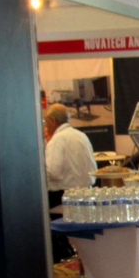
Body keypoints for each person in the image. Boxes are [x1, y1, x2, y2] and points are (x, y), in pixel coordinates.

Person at [43, 103, 97, 262]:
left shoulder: (57, 140)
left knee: (33, 207)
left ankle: (58, 251)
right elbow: (93, 169)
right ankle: (64, 248)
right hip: (86, 192)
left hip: (64, 196)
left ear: (53, 121)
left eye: (46, 122)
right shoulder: (81, 136)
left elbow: (53, 172)